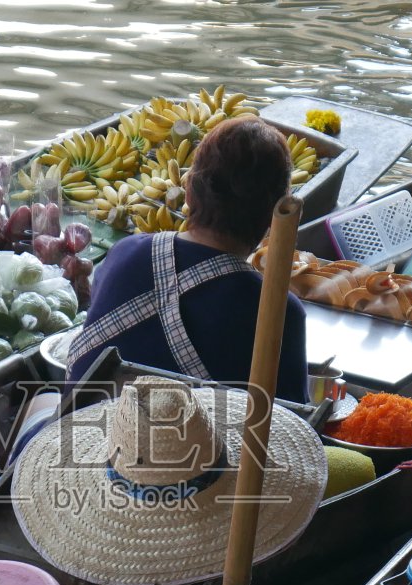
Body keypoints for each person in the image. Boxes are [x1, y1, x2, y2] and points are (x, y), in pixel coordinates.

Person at [65, 116, 309, 402]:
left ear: (189, 192)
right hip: (195, 447)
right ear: (276, 216)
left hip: (86, 440)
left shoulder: (125, 251)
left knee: (39, 402)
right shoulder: (279, 311)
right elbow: (291, 421)